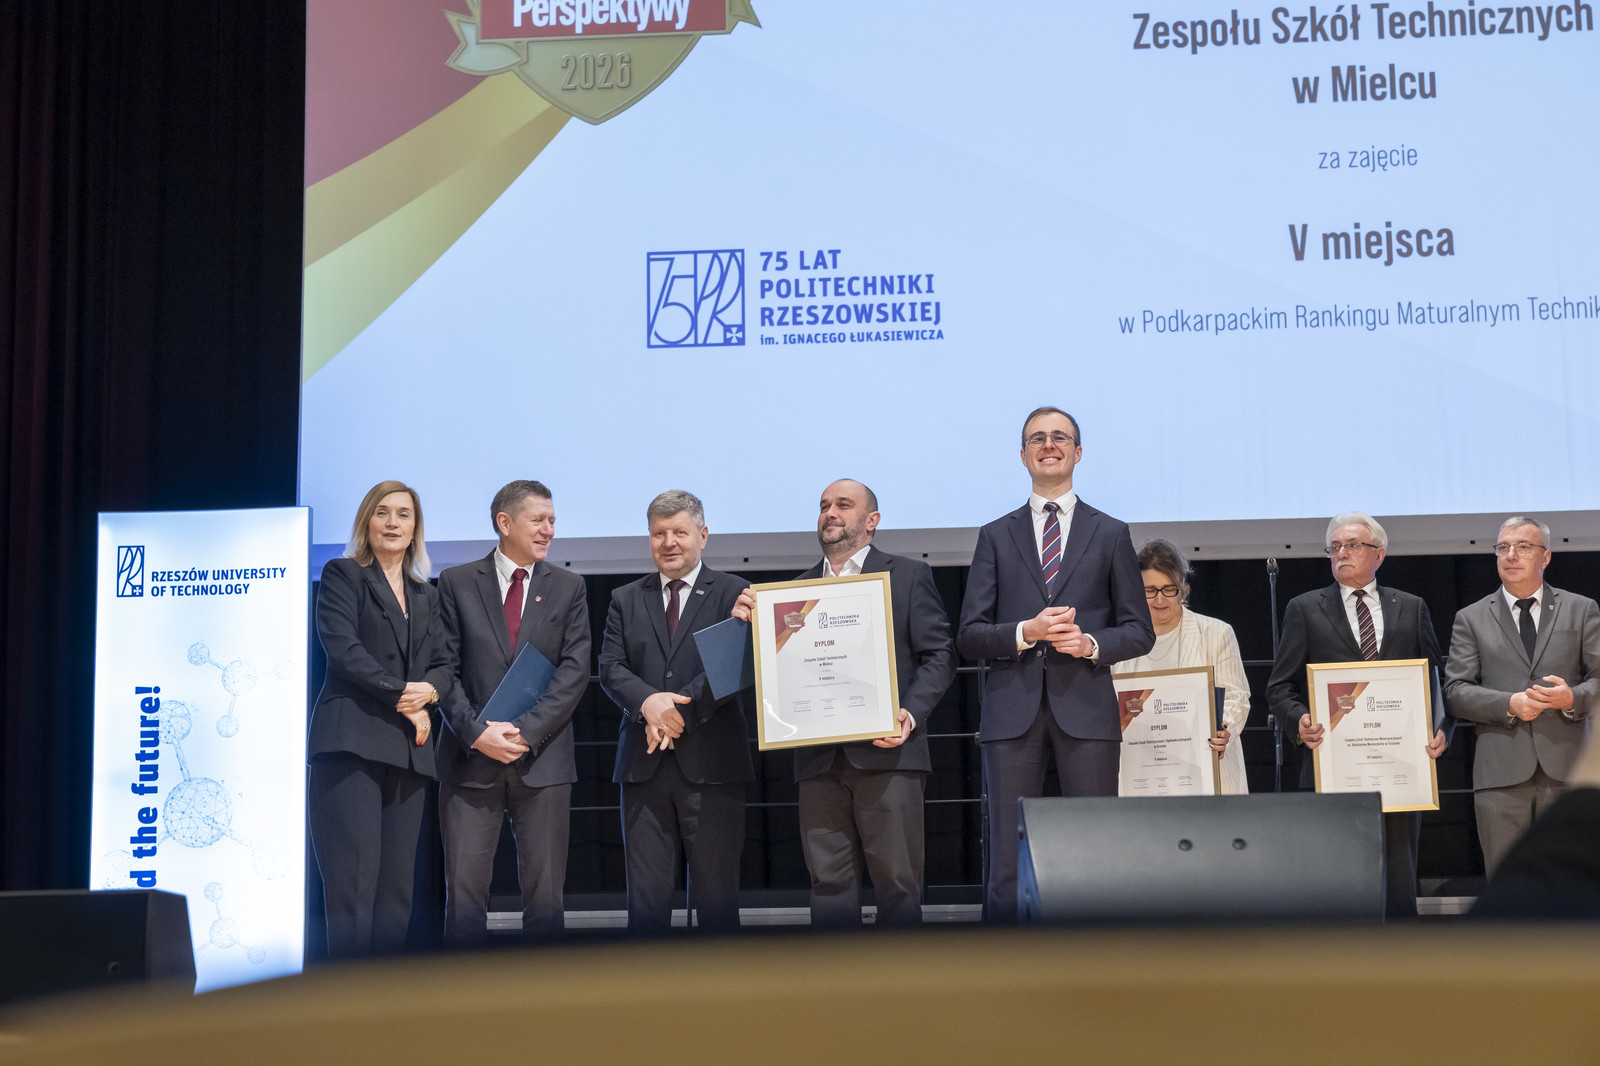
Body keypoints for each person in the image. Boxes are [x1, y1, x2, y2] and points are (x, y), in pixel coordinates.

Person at [956, 406, 1154, 923]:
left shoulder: (1110, 532)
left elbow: (1139, 630)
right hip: (1011, 714)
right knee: (1007, 855)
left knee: (1096, 848)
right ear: (1023, 456)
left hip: (1086, 709)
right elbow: (969, 635)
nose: (1049, 445)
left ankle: (1095, 961)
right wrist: (1027, 632)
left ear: (1078, 453)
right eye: (1037, 438)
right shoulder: (994, 535)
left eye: (1060, 437)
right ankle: (1006, 961)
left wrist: (1089, 644)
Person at [731, 479, 956, 928]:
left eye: (843, 505)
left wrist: (909, 714)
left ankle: (904, 975)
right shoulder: (789, 594)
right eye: (823, 505)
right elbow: (768, 675)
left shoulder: (908, 575)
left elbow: (940, 656)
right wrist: (745, 628)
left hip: (890, 755)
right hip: (818, 762)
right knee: (828, 887)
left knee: (898, 885)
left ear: (872, 521)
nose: (830, 512)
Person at [1266, 511, 1450, 919]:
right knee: (1339, 882)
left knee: (1399, 882)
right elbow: (1279, 687)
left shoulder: (1412, 607)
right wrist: (1299, 721)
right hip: (1335, 768)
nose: (1341, 553)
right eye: (1334, 547)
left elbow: (1438, 682)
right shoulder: (1304, 608)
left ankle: (1400, 956)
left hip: (1401, 766)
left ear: (1378, 554)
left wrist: (1442, 729)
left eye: (1352, 545)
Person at [435, 480, 591, 945]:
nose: (549, 530)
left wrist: (525, 731)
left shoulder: (569, 587)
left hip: (543, 761)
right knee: (464, 901)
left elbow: (574, 672)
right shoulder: (457, 582)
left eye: (552, 521)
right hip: (469, 760)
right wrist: (475, 732)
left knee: (545, 903)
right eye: (538, 520)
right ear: (504, 523)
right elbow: (443, 668)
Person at [308, 480, 452, 956]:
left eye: (404, 515)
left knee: (396, 893)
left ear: (415, 529)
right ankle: (347, 993)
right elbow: (344, 650)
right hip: (351, 742)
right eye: (382, 512)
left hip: (409, 752)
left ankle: (385, 992)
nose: (393, 523)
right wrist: (406, 698)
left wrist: (431, 691)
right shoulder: (344, 574)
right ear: (366, 522)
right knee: (353, 884)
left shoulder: (426, 594)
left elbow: (444, 665)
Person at [599, 491, 752, 933]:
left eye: (680, 532)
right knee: (646, 910)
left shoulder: (735, 593)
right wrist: (649, 704)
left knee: (717, 905)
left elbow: (734, 667)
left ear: (702, 536)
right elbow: (610, 667)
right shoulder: (625, 598)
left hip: (714, 765)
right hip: (643, 767)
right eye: (658, 533)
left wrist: (675, 713)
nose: (669, 542)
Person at [1444, 515, 1599, 875]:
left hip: (1570, 772)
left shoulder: (1581, 609)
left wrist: (1571, 698)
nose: (1511, 555)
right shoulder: (1471, 617)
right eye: (1503, 547)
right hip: (1500, 776)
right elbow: (1456, 690)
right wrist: (1509, 704)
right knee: (1506, 886)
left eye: (1523, 546)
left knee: (1571, 884)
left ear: (1545, 557)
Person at [1112, 539, 1250, 795]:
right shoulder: (1120, 642)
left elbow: (1236, 696)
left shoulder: (1216, 633)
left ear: (1182, 587)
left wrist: (1223, 728)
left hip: (1208, 773)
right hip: (1141, 777)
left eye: (1169, 589)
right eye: (1150, 590)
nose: (1160, 598)